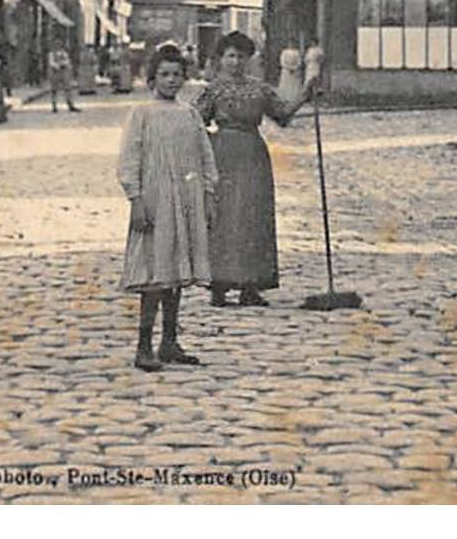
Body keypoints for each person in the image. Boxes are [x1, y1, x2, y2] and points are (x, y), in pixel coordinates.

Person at [194, 31, 315, 307]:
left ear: (249, 59)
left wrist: (305, 94)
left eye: (241, 57)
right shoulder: (212, 89)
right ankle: (219, 284)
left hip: (252, 156)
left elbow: (282, 114)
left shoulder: (259, 89)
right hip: (222, 155)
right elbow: (195, 121)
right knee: (222, 216)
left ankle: (250, 285)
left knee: (252, 215)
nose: (235, 62)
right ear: (221, 59)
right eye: (230, 56)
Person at [117, 43, 218, 372]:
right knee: (154, 274)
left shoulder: (189, 114)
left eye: (177, 75)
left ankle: (170, 340)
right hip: (155, 200)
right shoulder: (142, 115)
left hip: (185, 200)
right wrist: (136, 199)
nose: (171, 80)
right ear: (152, 79)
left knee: (176, 271)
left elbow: (204, 156)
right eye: (165, 75)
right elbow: (129, 159)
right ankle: (143, 344)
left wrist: (208, 193)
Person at [47, 45, 79, 113]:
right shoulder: (51, 54)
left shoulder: (64, 53)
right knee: (54, 90)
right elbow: (51, 63)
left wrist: (62, 64)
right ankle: (54, 106)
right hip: (55, 73)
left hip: (64, 73)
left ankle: (70, 104)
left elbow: (67, 61)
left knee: (68, 89)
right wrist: (57, 65)